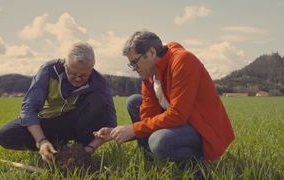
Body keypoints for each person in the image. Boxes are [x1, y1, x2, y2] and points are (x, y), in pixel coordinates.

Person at [95, 31, 234, 163]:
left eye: (134, 62)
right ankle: (151, 159)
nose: (134, 68)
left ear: (151, 52)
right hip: (180, 123)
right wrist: (117, 133)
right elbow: (148, 117)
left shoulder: (183, 61)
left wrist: (132, 129)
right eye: (131, 64)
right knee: (134, 102)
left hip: (202, 128)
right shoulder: (148, 74)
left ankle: (200, 164)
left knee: (159, 141)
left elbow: (178, 114)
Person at [0, 42, 116, 162]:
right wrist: (41, 141)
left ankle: (79, 149)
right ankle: (52, 146)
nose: (78, 79)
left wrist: (89, 148)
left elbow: (111, 122)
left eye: (84, 75)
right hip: (49, 121)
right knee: (4, 135)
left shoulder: (100, 82)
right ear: (65, 64)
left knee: (98, 100)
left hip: (77, 124)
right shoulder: (48, 70)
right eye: (73, 73)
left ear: (91, 68)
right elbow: (29, 108)